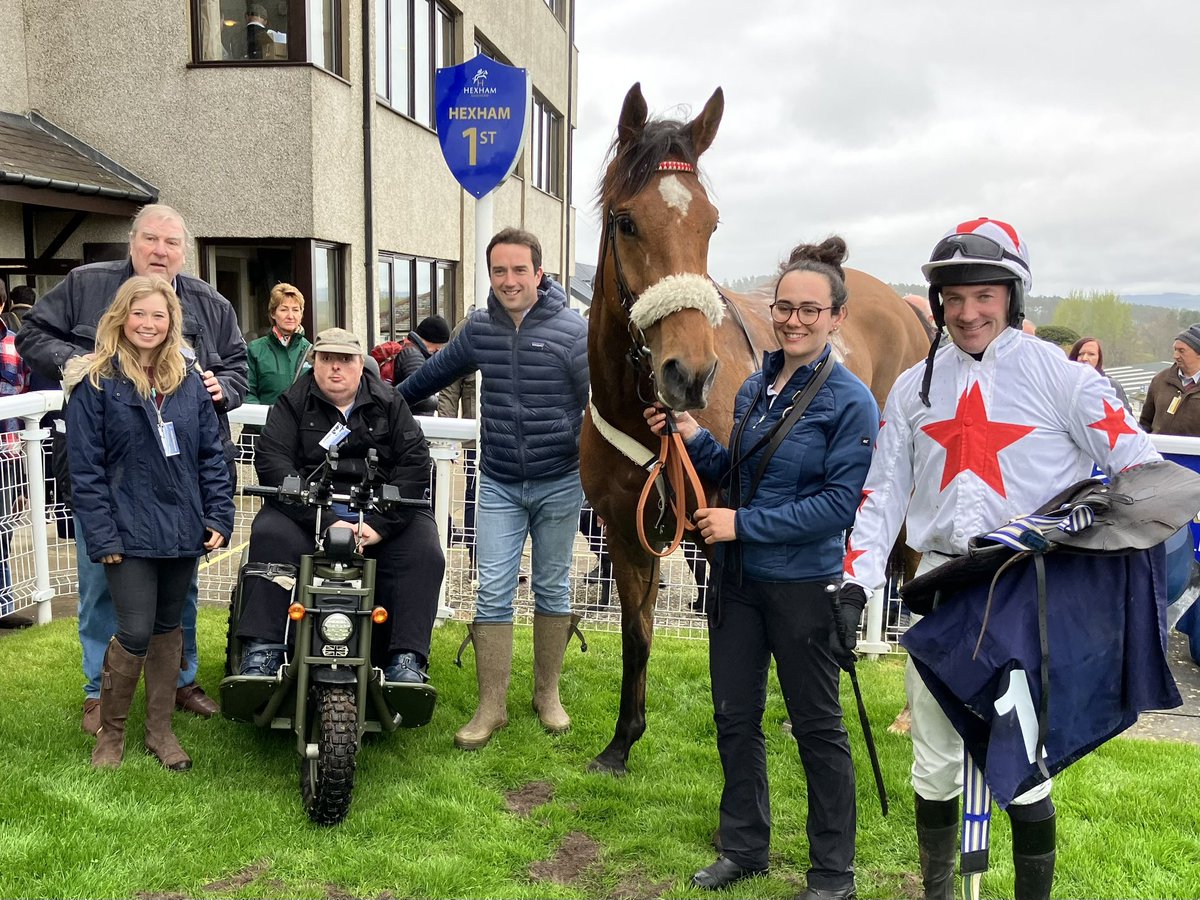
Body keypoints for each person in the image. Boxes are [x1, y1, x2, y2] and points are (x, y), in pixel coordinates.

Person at [838, 217, 1158, 900]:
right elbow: (884, 493)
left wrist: (1077, 541)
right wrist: (854, 585)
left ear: (1012, 295)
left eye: (982, 295)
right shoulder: (913, 389)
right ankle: (938, 892)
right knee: (934, 756)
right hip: (941, 584)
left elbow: (1139, 468)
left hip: (1022, 590)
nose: (966, 313)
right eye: (953, 298)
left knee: (1025, 760)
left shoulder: (1065, 380)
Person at [645, 238, 877, 900]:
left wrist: (741, 525)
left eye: (810, 310)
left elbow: (836, 507)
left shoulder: (851, 402)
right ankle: (744, 846)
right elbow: (735, 475)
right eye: (784, 307)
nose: (794, 320)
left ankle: (833, 875)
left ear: (834, 316)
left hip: (804, 586)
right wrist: (692, 434)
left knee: (817, 729)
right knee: (735, 716)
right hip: (738, 586)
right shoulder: (751, 388)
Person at [17, 203, 247, 732]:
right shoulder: (84, 284)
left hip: (177, 484)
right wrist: (73, 363)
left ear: (184, 252)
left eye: (171, 243)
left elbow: (237, 366)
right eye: (150, 240)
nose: (159, 251)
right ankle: (100, 692)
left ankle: (180, 680)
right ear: (132, 241)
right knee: (101, 582)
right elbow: (32, 336)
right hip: (109, 474)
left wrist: (225, 388)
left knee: (179, 590)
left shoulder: (210, 304)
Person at [399, 227, 588, 749]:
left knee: (552, 586)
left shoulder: (573, 332)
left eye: (518, 270)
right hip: (500, 482)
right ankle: (492, 707)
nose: (508, 280)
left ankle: (547, 695)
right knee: (493, 590)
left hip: (560, 480)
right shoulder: (479, 329)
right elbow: (432, 374)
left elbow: (597, 404)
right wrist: (381, 400)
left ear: (539, 273)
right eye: (499, 270)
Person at [66, 276, 233, 770]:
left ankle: (160, 732)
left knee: (168, 629)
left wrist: (218, 514)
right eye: (139, 314)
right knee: (134, 629)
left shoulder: (186, 381)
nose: (148, 324)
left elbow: (210, 456)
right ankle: (111, 735)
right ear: (121, 317)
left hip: (182, 527)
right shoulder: (95, 381)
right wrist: (102, 534)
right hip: (126, 528)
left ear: (171, 322)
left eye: (158, 315)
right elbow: (86, 470)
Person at [236, 328, 444, 684]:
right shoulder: (291, 403)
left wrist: (379, 524)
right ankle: (264, 649)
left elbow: (415, 464)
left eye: (345, 360)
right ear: (314, 362)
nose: (336, 368)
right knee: (270, 533)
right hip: (307, 506)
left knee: (425, 550)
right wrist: (326, 520)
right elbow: (273, 462)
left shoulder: (391, 404)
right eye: (327, 358)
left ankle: (406, 658)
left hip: (379, 508)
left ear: (360, 364)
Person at [245, 283, 311, 408]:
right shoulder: (255, 349)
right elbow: (247, 393)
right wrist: (266, 424)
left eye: (296, 310)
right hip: (265, 425)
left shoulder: (312, 352)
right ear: (273, 314)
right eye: (284, 309)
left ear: (301, 314)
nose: (290, 316)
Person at [1139, 324, 1200, 436]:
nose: (1175, 356)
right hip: (1161, 451)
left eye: (1182, 351)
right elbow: (1145, 423)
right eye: (1175, 350)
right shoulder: (1160, 380)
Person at [394, 315, 450, 415]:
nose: (439, 349)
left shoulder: (409, 348)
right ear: (434, 340)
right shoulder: (413, 355)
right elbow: (418, 394)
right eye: (440, 345)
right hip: (413, 419)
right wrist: (441, 402)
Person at [1069, 336, 1130, 411]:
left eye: (1091, 354)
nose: (1084, 358)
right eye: (1081, 354)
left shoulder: (1110, 385)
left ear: (1099, 358)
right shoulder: (1066, 385)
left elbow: (1125, 418)